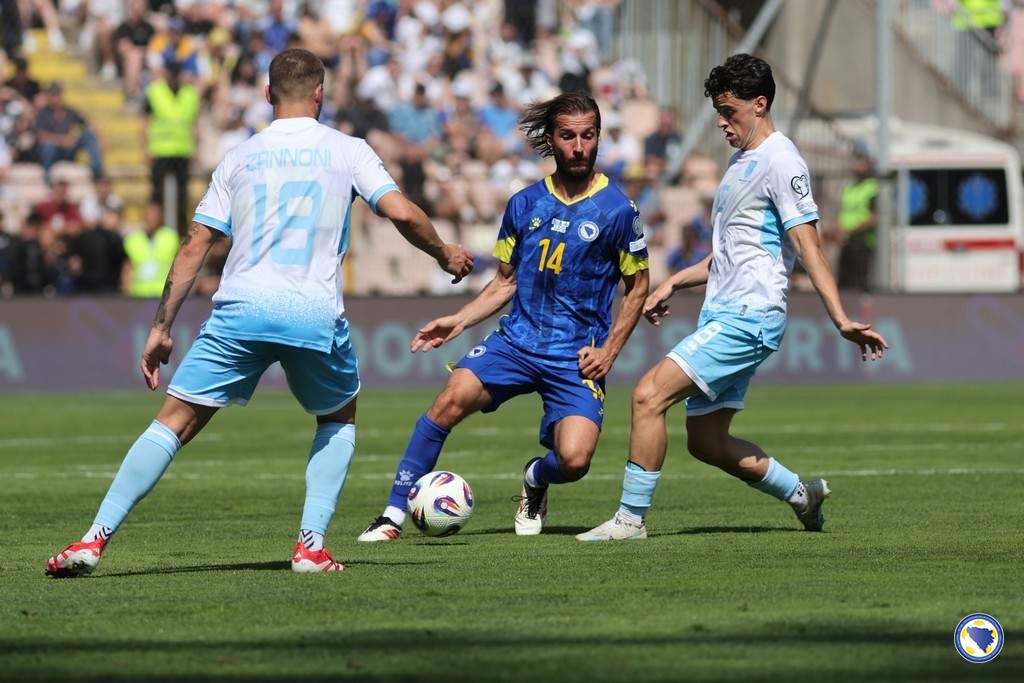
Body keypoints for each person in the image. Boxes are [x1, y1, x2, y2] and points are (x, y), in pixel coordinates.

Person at [45, 48, 473, 577]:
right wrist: (444, 254)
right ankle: (310, 547)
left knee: (173, 422)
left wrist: (161, 327)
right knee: (337, 416)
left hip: (242, 307)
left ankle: (93, 539)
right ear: (320, 93)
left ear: (268, 93)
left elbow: (195, 243)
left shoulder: (239, 157)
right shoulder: (349, 150)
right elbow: (401, 213)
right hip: (313, 310)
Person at [577, 54, 889, 542]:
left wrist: (841, 319)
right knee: (706, 441)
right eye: (718, 113)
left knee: (647, 395)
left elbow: (808, 244)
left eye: (729, 112)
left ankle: (630, 520)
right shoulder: (742, 161)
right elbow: (727, 253)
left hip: (749, 315)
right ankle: (801, 494)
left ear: (759, 104)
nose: (722, 123)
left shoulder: (782, 161)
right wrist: (672, 283)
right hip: (725, 312)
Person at [358, 92, 650, 542]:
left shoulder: (618, 211)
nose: (579, 147)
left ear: (598, 137)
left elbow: (638, 286)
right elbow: (505, 282)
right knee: (449, 400)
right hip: (516, 341)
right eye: (568, 136)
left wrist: (609, 352)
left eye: (588, 136)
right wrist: (459, 320)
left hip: (575, 355)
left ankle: (536, 477)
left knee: (574, 461)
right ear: (550, 140)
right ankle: (392, 515)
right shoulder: (524, 204)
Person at [143, 63, 200, 234]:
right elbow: (145, 122)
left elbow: (194, 123)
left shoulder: (190, 94)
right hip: (160, 151)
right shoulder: (154, 91)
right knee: (157, 195)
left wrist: (196, 148)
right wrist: (146, 148)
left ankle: (181, 233)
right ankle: (154, 232)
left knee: (182, 195)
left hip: (183, 150)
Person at [34, 82, 105, 182]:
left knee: (88, 135)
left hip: (69, 149)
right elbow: (40, 136)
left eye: (57, 94)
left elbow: (88, 124)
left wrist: (100, 139)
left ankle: (97, 170)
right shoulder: (43, 113)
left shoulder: (69, 111)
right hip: (54, 150)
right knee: (47, 147)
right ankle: (47, 177)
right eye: (52, 95)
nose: (55, 98)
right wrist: (61, 141)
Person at [837, 147, 877, 291]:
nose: (856, 165)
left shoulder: (873, 187)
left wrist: (850, 231)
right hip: (846, 242)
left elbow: (874, 218)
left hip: (863, 242)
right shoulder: (849, 188)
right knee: (844, 283)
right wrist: (839, 231)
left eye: (860, 161)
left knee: (860, 283)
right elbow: (842, 213)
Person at [122, 202, 179, 297]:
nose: (152, 218)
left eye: (155, 215)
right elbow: (128, 268)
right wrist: (127, 293)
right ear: (144, 216)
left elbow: (177, 265)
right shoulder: (132, 239)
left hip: (163, 294)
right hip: (139, 294)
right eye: (149, 215)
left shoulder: (171, 237)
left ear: (161, 217)